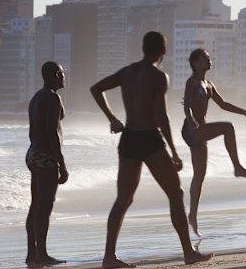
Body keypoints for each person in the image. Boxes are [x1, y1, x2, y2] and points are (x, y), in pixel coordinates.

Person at [90, 32, 212, 268]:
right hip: (149, 139)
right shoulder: (158, 76)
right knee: (175, 194)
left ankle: (108, 258)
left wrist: (112, 118)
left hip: (128, 140)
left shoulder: (127, 72)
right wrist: (175, 151)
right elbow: (161, 116)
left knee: (123, 199)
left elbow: (96, 89)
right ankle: (188, 252)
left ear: (143, 48)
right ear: (163, 51)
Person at [182, 48, 246, 237]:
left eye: (209, 58)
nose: (209, 60)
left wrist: (245, 112)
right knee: (227, 127)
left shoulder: (208, 84)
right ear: (195, 63)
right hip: (191, 129)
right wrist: (192, 121)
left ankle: (192, 216)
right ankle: (237, 167)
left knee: (199, 175)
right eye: (205, 58)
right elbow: (187, 106)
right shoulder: (192, 82)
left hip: (201, 129)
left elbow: (223, 104)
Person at [25, 61, 69, 265]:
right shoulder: (52, 97)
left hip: (33, 153)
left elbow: (32, 131)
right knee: (45, 206)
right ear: (56, 75)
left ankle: (31, 254)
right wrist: (61, 163)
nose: (64, 76)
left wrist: (36, 151)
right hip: (46, 155)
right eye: (62, 73)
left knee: (36, 205)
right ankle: (41, 255)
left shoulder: (36, 97)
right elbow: (52, 133)